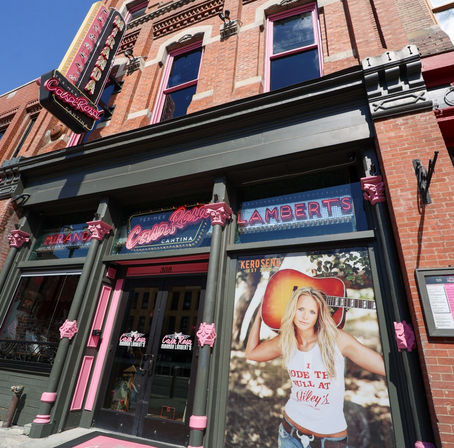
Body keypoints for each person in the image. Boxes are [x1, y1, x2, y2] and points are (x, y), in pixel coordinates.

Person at [245, 287, 385, 448]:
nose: (305, 316)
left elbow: (383, 366)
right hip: (290, 434)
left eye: (312, 312)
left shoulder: (337, 340)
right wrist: (259, 315)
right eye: (301, 309)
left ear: (319, 315)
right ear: (293, 310)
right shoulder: (285, 341)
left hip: (330, 442)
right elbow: (251, 353)